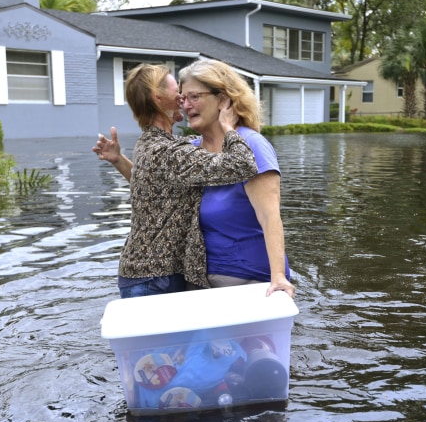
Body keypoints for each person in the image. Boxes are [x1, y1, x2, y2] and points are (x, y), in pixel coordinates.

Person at [95, 59, 295, 299]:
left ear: (222, 100)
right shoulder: (185, 149)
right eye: (181, 95)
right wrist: (119, 161)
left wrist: (278, 277)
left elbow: (269, 215)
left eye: (193, 96)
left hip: (243, 277)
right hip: (178, 279)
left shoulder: (248, 144)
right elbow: (158, 187)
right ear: (159, 99)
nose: (185, 103)